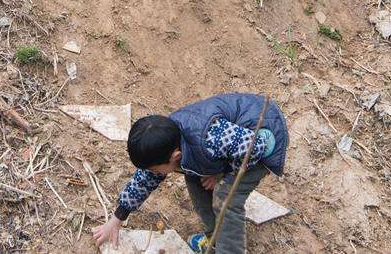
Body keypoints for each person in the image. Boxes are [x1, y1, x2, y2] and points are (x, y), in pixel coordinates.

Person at [91, 94, 288, 254]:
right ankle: (214, 240)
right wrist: (117, 218)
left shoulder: (212, 138)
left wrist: (222, 173)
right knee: (195, 176)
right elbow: (144, 179)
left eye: (154, 169)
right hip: (235, 145)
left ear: (174, 155)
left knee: (225, 196)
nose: (152, 173)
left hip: (266, 136)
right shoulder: (169, 141)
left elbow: (259, 145)